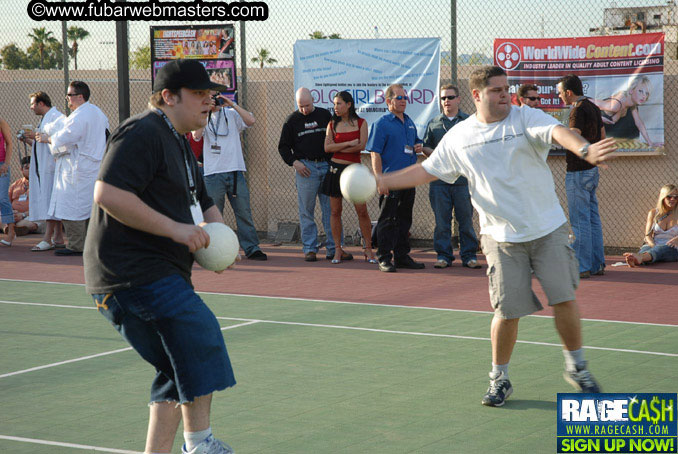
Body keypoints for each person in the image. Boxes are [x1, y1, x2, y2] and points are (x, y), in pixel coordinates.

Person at [376, 66, 617, 406]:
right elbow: (426, 171)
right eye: (496, 90)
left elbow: (559, 133)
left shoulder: (525, 117)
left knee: (563, 298)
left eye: (506, 88)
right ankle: (499, 378)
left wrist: (585, 150)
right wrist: (385, 181)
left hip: (547, 228)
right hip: (500, 238)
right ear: (477, 96)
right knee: (507, 312)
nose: (505, 94)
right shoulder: (460, 137)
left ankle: (577, 367)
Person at [84, 59, 237, 454]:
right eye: (199, 95)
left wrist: (220, 244)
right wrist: (177, 230)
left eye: (210, 95)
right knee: (198, 335)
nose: (209, 102)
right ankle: (199, 444)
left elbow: (202, 203)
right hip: (132, 274)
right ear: (168, 96)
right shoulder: (142, 132)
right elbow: (108, 194)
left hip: (155, 274)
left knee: (175, 368)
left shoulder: (179, 141)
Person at [37, 81, 109, 256]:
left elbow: (65, 137)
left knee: (71, 207)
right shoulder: (98, 113)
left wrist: (47, 138)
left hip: (77, 168)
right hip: (92, 167)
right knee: (88, 207)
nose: (67, 98)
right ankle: (90, 243)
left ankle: (77, 245)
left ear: (79, 96)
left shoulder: (80, 115)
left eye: (69, 95)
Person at [193, 94, 267, 261]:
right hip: (213, 173)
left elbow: (251, 121)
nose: (215, 102)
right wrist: (206, 111)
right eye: (211, 98)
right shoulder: (202, 116)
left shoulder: (232, 114)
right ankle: (214, 248)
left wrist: (231, 104)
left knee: (243, 212)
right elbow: (196, 135)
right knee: (214, 214)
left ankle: (252, 248)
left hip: (235, 171)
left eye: (216, 98)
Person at [367, 83, 425, 272]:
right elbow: (375, 153)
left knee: (404, 220)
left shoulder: (409, 122)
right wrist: (379, 179)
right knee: (388, 220)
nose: (403, 101)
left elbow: (415, 143)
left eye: (405, 97)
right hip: (391, 181)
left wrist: (418, 145)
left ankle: (402, 256)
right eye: (399, 98)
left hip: (409, 179)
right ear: (388, 101)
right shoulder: (382, 124)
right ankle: (384, 257)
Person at [422, 84, 480, 269]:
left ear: (458, 99)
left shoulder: (469, 121)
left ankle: (469, 256)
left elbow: (476, 147)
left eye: (450, 97)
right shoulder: (434, 123)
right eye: (443, 98)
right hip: (439, 182)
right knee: (441, 222)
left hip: (463, 182)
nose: (446, 101)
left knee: (465, 221)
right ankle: (443, 256)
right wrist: (438, 156)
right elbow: (425, 147)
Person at [278, 87, 338, 262]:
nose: (304, 109)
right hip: (306, 169)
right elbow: (283, 147)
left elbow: (335, 138)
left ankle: (333, 248)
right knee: (306, 211)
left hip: (326, 167)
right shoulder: (291, 121)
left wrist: (332, 162)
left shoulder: (325, 116)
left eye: (307, 105)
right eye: (300, 106)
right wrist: (295, 163)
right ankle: (310, 249)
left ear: (313, 100)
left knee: (331, 210)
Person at [557, 75, 606, 278]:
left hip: (578, 172)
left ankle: (582, 266)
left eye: (561, 93)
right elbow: (602, 137)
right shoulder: (594, 107)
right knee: (592, 217)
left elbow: (573, 137)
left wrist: (561, 139)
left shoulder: (577, 110)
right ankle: (597, 264)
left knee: (580, 221)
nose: (560, 96)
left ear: (569, 92)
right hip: (591, 171)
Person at [321, 91, 375, 264]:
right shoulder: (331, 124)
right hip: (335, 171)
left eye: (339, 104)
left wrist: (338, 147)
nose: (336, 107)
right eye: (334, 104)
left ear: (349, 104)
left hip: (355, 172)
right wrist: (347, 144)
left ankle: (368, 249)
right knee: (335, 212)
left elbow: (361, 145)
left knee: (362, 211)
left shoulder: (361, 123)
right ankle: (338, 250)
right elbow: (327, 148)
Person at [19, 91, 66, 251]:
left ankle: (47, 238)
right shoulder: (45, 120)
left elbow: (60, 144)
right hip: (43, 169)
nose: (31, 107)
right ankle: (58, 237)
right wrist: (30, 140)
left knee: (50, 202)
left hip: (52, 169)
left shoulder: (57, 118)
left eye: (33, 104)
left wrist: (40, 137)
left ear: (41, 103)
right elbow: (43, 146)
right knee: (50, 202)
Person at [592, 76, 660, 147]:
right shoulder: (616, 105)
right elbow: (588, 102)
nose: (643, 96)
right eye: (640, 91)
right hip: (592, 124)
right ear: (631, 90)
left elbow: (639, 123)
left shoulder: (632, 105)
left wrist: (650, 143)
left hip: (610, 135)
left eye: (646, 93)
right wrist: (600, 118)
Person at [624, 184, 678, 267]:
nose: (673, 199)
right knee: (647, 250)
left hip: (673, 248)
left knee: (661, 249)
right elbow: (648, 236)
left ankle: (640, 258)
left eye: (676, 197)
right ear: (663, 197)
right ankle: (636, 260)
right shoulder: (653, 213)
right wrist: (653, 245)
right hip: (654, 244)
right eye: (669, 196)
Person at [7, 156, 38, 237]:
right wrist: (12, 212)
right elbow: (6, 202)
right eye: (27, 168)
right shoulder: (15, 184)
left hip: (30, 216)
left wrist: (23, 214)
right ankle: (7, 229)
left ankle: (11, 229)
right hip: (15, 215)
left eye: (32, 168)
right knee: (3, 217)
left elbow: (41, 208)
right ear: (21, 169)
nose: (30, 171)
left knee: (30, 223)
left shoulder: (41, 184)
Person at [0, 117, 16, 246]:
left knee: (2, 198)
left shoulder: (1, 121)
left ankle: (11, 232)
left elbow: (9, 143)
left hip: (1, 165)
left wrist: (6, 163)